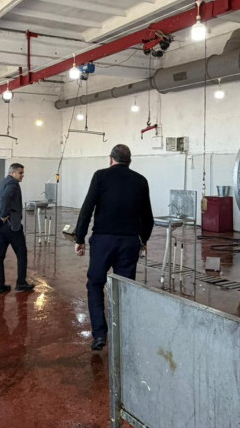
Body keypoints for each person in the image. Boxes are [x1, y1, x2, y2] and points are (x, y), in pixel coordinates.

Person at [74, 144, 154, 350]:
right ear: (130, 161)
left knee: (95, 284)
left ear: (111, 159)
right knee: (124, 288)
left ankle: (100, 334)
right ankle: (123, 334)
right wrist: (143, 240)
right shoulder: (140, 180)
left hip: (103, 241)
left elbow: (87, 208)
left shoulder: (100, 176)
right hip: (129, 242)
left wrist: (80, 238)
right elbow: (148, 217)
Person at [0, 163, 35, 294]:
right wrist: (3, 216)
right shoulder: (13, 184)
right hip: (11, 227)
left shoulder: (1, 183)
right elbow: (5, 198)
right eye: (20, 173)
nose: (22, 175)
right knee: (22, 254)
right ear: (13, 173)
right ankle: (21, 283)